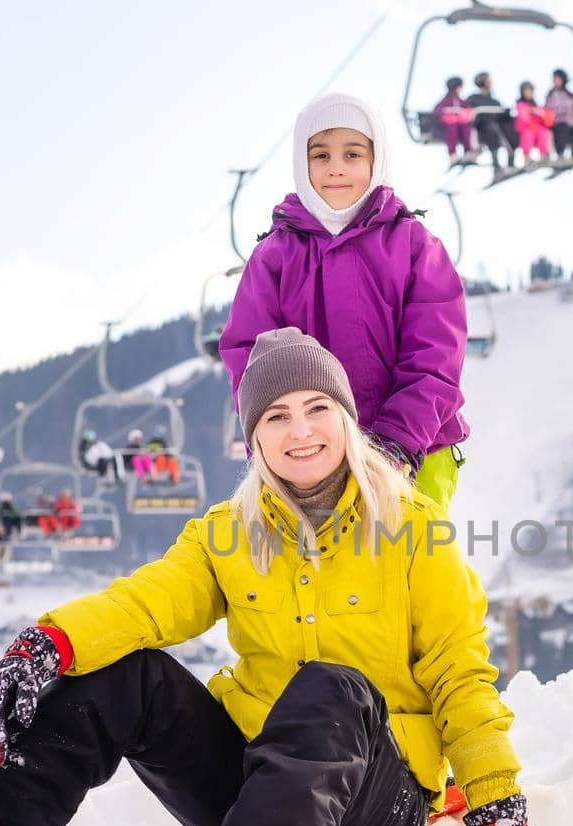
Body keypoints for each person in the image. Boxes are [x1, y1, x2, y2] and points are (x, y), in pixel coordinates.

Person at [0, 328, 553, 826]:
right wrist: (46, 644)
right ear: (255, 440)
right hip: (253, 794)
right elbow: (146, 603)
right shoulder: (229, 534)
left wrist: (500, 809)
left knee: (332, 687)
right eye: (275, 416)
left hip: (376, 800)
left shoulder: (411, 530)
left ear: (345, 418)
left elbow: (461, 673)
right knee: (122, 672)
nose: (299, 430)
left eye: (315, 408)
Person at [220, 93, 470, 511]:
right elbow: (253, 362)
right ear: (303, 165)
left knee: (413, 566)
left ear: (376, 161)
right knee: (319, 571)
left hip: (417, 452)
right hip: (310, 459)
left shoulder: (414, 246)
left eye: (352, 154)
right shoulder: (275, 258)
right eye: (321, 155)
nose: (336, 167)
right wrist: (276, 441)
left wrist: (397, 444)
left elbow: (435, 357)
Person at [465, 72, 517, 170]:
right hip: (481, 128)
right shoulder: (473, 99)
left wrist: (506, 113)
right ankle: (496, 166)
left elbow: (501, 114)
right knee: (490, 129)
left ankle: (511, 160)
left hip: (498, 127)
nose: (490, 82)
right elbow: (469, 114)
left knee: (511, 128)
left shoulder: (494, 101)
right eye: (487, 80)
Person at [544, 68, 573, 159]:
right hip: (557, 124)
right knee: (562, 131)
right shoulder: (551, 95)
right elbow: (548, 110)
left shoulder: (570, 95)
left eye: (557, 78)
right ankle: (560, 154)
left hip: (571, 123)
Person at [433, 76, 474, 161]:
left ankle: (468, 151)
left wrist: (463, 112)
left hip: (461, 124)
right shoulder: (446, 100)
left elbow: (468, 109)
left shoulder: (460, 101)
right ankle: (452, 154)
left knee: (467, 127)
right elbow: (437, 110)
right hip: (449, 125)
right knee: (452, 128)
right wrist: (450, 110)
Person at [514, 81, 554, 165]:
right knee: (527, 134)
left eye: (530, 91)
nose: (528, 93)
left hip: (537, 129)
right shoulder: (521, 104)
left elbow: (544, 116)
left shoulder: (536, 106)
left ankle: (544, 156)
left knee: (544, 132)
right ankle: (527, 158)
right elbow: (523, 117)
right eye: (526, 91)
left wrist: (539, 113)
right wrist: (531, 122)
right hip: (526, 129)